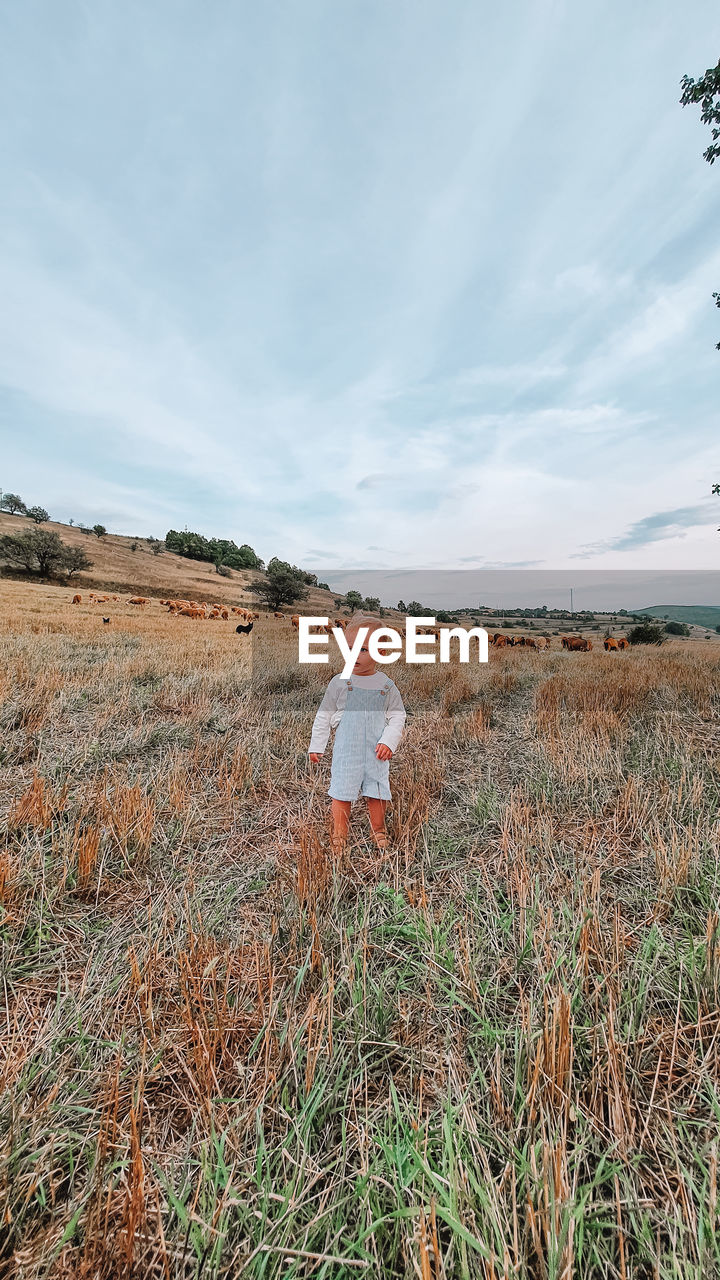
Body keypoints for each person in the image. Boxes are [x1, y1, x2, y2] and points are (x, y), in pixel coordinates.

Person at [308, 614, 406, 852]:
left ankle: (378, 829)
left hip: (377, 752)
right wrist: (316, 745)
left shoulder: (386, 685)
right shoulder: (339, 682)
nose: (353, 655)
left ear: (381, 653)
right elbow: (324, 715)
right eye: (349, 648)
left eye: (362, 649)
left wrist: (389, 741)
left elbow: (398, 717)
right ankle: (340, 833)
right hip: (346, 751)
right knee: (341, 791)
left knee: (378, 791)